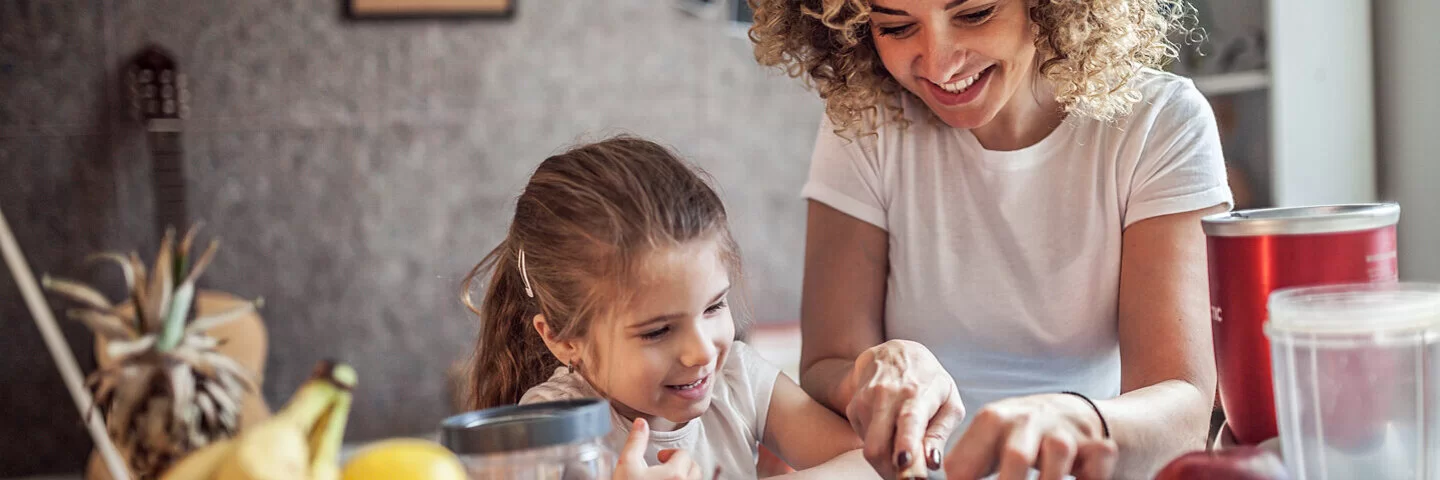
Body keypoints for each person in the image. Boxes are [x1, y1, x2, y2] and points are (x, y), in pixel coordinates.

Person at [749, 0, 1231, 478]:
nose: (939, 63)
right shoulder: (867, 119)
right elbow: (826, 363)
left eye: (975, 14)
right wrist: (873, 371)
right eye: (896, 27)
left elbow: (1183, 413)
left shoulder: (1158, 123)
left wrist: (1077, 418)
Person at [463, 137, 878, 479]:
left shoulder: (738, 379)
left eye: (714, 306)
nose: (702, 352)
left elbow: (872, 465)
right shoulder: (551, 428)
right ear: (562, 339)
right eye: (657, 331)